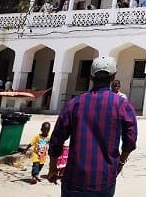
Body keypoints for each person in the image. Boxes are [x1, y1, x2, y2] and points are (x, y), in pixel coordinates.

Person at [48, 56, 137, 196]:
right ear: (113, 77)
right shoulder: (121, 105)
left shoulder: (74, 104)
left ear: (91, 77)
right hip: (104, 179)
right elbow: (130, 140)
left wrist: (52, 168)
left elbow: (57, 139)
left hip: (74, 179)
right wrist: (120, 162)